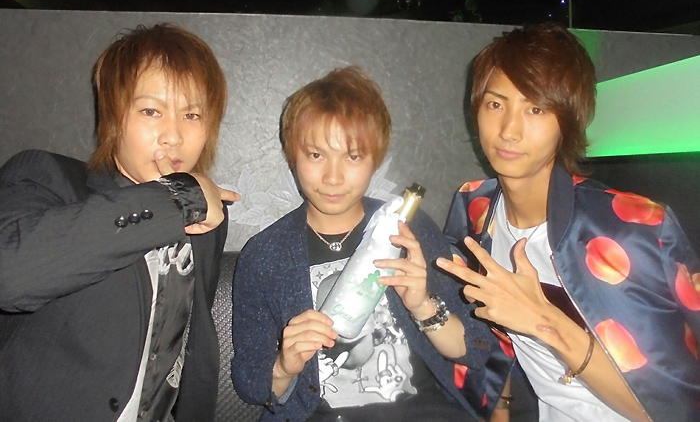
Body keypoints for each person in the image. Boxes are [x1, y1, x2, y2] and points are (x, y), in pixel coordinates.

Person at [438, 22, 700, 421]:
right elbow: (488, 337)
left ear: (568, 120)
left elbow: (678, 408)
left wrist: (544, 322)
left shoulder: (635, 230)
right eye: (495, 104)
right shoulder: (476, 209)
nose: (509, 130)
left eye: (535, 109)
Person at [0, 23, 239, 422]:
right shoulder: (48, 178)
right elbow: (10, 276)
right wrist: (176, 199)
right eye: (151, 111)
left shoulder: (209, 215)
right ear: (114, 115)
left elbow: (191, 343)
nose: (174, 136)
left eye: (192, 114)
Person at [232, 66, 495, 422]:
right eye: (316, 155)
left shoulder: (409, 229)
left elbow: (475, 349)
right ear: (293, 156)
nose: (333, 177)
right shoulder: (264, 255)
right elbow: (251, 384)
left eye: (353, 156)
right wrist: (284, 365)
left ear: (375, 160)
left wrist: (422, 305)